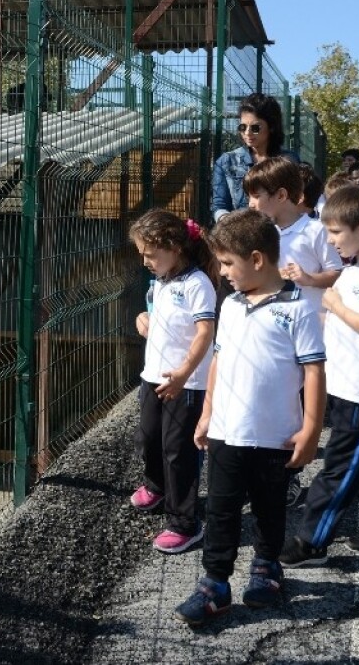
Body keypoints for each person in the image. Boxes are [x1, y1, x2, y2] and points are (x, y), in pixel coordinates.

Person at [173, 209, 325, 625]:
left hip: (275, 436)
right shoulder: (232, 305)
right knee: (221, 510)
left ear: (257, 259)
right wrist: (206, 413)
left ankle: (266, 566)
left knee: (269, 507)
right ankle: (214, 583)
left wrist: (311, 429)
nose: (222, 273)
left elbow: (314, 370)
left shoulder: (299, 309)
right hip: (226, 432)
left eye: (226, 263)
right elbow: (219, 361)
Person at [279, 186, 359, 567]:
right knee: (357, 461)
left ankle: (311, 541)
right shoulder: (354, 270)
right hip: (343, 380)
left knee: (337, 466)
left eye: (336, 233)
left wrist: (334, 303)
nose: (331, 241)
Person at [128, 209, 217, 553]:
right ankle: (157, 486)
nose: (145, 261)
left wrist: (183, 373)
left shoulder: (197, 284)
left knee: (178, 451)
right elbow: (158, 318)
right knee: (148, 437)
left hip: (187, 382)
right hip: (153, 376)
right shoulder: (162, 282)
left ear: (175, 247)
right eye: (142, 254)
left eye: (150, 254)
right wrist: (143, 318)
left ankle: (185, 522)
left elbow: (204, 332)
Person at [244, 157, 343, 315]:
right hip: (275, 323)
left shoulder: (315, 231)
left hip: (313, 324)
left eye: (256, 196)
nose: (250, 203)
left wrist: (309, 278)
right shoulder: (262, 235)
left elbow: (337, 274)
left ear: (281, 195)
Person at [212, 93, 298, 222]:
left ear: (272, 127)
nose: (247, 133)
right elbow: (219, 206)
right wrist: (230, 223)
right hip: (241, 234)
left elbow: (296, 201)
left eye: (255, 128)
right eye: (242, 127)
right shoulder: (226, 161)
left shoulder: (289, 160)